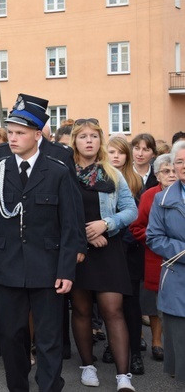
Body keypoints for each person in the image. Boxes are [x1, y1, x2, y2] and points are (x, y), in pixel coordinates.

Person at [0, 95, 77, 392]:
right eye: (10, 131)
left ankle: (49, 387)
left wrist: (66, 269)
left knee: (49, 338)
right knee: (11, 336)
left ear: (37, 134)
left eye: (20, 132)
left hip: (47, 268)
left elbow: (70, 226)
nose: (13, 138)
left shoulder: (56, 171)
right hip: (7, 268)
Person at [69, 119, 138, 391]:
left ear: (101, 141)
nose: (89, 141)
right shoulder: (65, 173)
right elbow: (57, 211)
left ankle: (123, 376)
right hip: (77, 249)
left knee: (113, 310)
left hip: (109, 249)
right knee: (82, 310)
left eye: (94, 136)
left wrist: (105, 225)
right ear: (75, 141)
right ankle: (88, 365)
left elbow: (130, 210)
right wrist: (85, 234)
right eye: (83, 136)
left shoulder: (112, 173)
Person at [130, 154, 177, 364]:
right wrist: (155, 241)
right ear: (157, 175)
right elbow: (136, 227)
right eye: (166, 171)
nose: (171, 175)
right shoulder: (150, 195)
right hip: (154, 258)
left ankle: (174, 348)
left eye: (174, 170)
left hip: (180, 261)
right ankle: (156, 342)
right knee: (153, 304)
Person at [146, 140, 185, 383]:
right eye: (180, 162)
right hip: (177, 284)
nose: (184, 166)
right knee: (181, 354)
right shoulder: (161, 200)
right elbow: (154, 237)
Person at [107, 135, 146, 374]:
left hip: (129, 252)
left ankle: (134, 354)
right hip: (107, 250)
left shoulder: (136, 182)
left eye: (120, 152)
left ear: (127, 156)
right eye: (111, 152)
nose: (116, 157)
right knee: (110, 305)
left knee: (131, 305)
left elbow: (137, 219)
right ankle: (113, 346)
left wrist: (122, 243)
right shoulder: (100, 177)